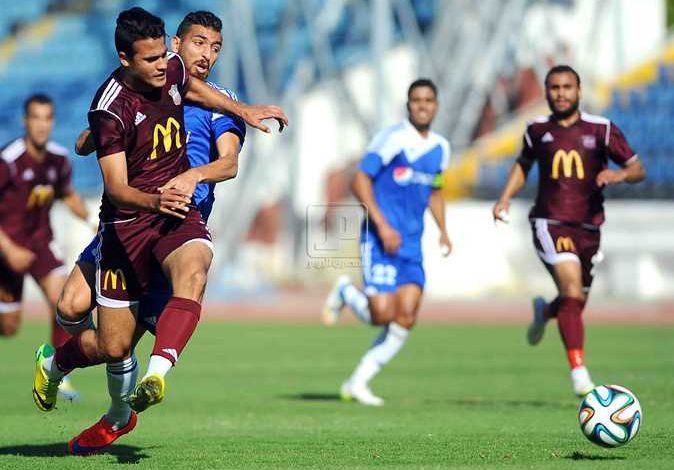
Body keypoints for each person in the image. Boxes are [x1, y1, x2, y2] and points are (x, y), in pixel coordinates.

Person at [31, 6, 286, 452]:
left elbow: (228, 163)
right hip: (126, 222)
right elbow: (98, 147)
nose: (206, 54)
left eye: (216, 47)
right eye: (199, 44)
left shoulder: (211, 98)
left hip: (174, 222)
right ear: (177, 45)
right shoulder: (142, 84)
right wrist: (100, 131)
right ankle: (59, 365)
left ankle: (127, 403)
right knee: (79, 315)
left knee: (187, 278)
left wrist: (197, 170)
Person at [492, 65, 646, 396]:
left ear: (579, 91)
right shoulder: (536, 129)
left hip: (590, 227)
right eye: (554, 87)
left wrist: (618, 176)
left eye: (567, 87)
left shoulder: (602, 129)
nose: (560, 93)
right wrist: (504, 197)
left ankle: (544, 312)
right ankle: (579, 373)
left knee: (573, 302)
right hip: (550, 221)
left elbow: (637, 168)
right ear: (547, 92)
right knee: (572, 290)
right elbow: (523, 164)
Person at [322, 79, 452, 406]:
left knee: (406, 316)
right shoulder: (393, 138)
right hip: (379, 239)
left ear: (435, 105)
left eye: (428, 100)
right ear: (408, 105)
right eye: (416, 100)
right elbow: (360, 179)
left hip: (411, 244)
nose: (422, 105)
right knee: (381, 314)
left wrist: (443, 230)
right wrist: (382, 224)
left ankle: (357, 383)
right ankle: (345, 291)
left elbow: (435, 191)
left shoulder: (441, 148)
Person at [0, 93, 89, 399]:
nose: (41, 125)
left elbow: (67, 193)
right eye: (36, 118)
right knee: (9, 327)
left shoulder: (58, 159)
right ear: (26, 121)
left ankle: (56, 372)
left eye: (47, 118)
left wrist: (92, 218)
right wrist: (9, 249)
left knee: (63, 301)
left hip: (40, 244)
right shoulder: (8, 160)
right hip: (6, 248)